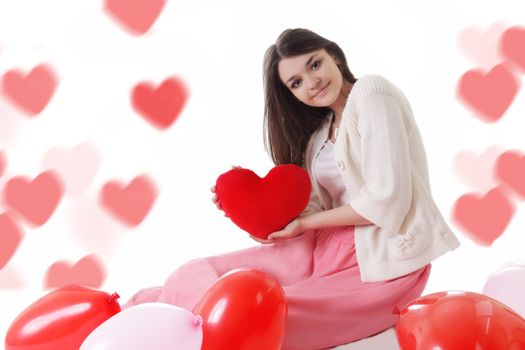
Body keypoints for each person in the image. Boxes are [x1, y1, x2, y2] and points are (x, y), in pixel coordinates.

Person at [123, 28, 461, 349]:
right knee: (198, 275)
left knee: (255, 314)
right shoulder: (318, 137)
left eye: (315, 64)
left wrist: (306, 224)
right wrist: (260, 220)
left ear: (335, 57)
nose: (312, 82)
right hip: (322, 250)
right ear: (292, 94)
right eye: (296, 82)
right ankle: (147, 318)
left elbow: (389, 201)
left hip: (382, 264)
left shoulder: (372, 93)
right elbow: (312, 210)